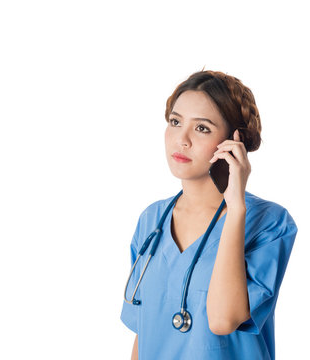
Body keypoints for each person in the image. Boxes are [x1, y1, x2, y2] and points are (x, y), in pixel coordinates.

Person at [120, 70, 297, 360]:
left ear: (233, 141)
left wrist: (236, 207)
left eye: (201, 128)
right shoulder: (152, 220)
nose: (182, 139)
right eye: (175, 122)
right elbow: (144, 332)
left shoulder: (270, 223)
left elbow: (223, 320)